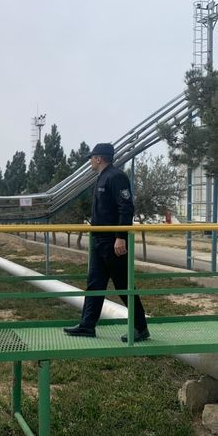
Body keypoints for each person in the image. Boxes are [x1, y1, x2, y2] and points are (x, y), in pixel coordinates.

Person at [63, 142, 149, 342]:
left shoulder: (116, 177)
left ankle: (141, 327)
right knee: (95, 284)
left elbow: (126, 207)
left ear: (98, 158)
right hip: (99, 240)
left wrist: (120, 237)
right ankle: (87, 326)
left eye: (91, 158)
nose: (90, 161)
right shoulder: (102, 177)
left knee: (123, 285)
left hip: (112, 241)